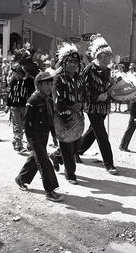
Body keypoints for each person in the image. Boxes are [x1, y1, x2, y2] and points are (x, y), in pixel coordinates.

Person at [15, 72, 64, 202]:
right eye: (46, 84)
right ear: (38, 85)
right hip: (35, 137)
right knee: (44, 162)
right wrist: (30, 140)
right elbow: (26, 122)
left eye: (50, 84)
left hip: (44, 135)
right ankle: (50, 190)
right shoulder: (33, 100)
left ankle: (21, 179)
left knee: (34, 159)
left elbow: (50, 119)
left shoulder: (47, 99)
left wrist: (54, 135)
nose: (49, 87)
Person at [77, 34, 118, 175]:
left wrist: (112, 87)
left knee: (92, 133)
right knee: (101, 135)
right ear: (99, 56)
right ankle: (109, 163)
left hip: (103, 106)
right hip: (92, 106)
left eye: (109, 56)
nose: (109, 58)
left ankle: (75, 151)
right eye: (107, 56)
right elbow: (83, 88)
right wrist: (96, 96)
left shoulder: (107, 70)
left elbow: (106, 86)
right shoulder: (89, 69)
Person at [51, 43, 84, 185]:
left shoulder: (78, 78)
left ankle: (56, 156)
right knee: (66, 144)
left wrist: (81, 104)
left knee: (76, 145)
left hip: (77, 116)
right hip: (62, 116)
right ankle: (70, 174)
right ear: (64, 63)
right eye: (70, 61)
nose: (73, 64)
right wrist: (69, 112)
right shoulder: (58, 79)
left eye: (75, 62)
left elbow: (83, 95)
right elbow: (58, 101)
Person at [5, 64, 35, 151]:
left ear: (21, 73)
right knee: (17, 125)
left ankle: (30, 143)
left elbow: (32, 94)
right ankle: (18, 143)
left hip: (26, 106)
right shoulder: (13, 80)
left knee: (27, 125)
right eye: (14, 73)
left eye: (16, 73)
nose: (15, 75)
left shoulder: (29, 81)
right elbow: (10, 92)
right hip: (15, 106)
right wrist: (7, 104)